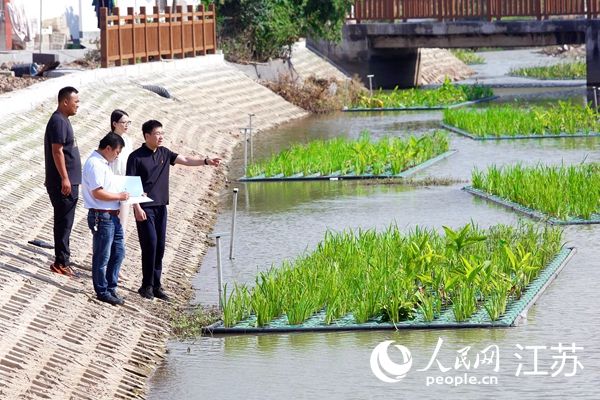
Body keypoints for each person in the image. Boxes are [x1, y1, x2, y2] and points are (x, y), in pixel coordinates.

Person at [126, 120, 221, 301]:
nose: (161, 137)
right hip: (145, 208)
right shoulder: (135, 157)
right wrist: (136, 207)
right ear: (147, 136)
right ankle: (146, 286)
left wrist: (206, 161)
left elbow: (184, 159)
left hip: (162, 207)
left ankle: (157, 285)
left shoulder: (164, 153)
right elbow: (129, 184)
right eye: (157, 134)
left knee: (160, 247)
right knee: (150, 245)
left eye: (162, 133)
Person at [82, 132, 130, 305]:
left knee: (119, 252)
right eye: (117, 152)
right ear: (108, 148)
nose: (117, 156)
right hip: (101, 216)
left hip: (112, 215)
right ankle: (102, 290)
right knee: (102, 255)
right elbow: (98, 192)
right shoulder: (95, 164)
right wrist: (120, 196)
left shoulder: (105, 163)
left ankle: (111, 286)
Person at [44, 86, 82, 277]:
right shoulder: (58, 121)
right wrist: (65, 178)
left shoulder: (63, 120)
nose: (78, 105)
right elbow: (57, 151)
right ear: (65, 102)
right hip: (62, 184)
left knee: (65, 222)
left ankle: (63, 259)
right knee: (63, 222)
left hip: (68, 182)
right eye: (76, 102)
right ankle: (61, 262)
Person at [109, 109, 133, 230]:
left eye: (129, 122)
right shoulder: (109, 140)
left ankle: (119, 247)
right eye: (124, 122)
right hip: (112, 182)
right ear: (114, 124)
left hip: (125, 182)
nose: (126, 125)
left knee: (122, 222)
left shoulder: (128, 140)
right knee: (110, 219)